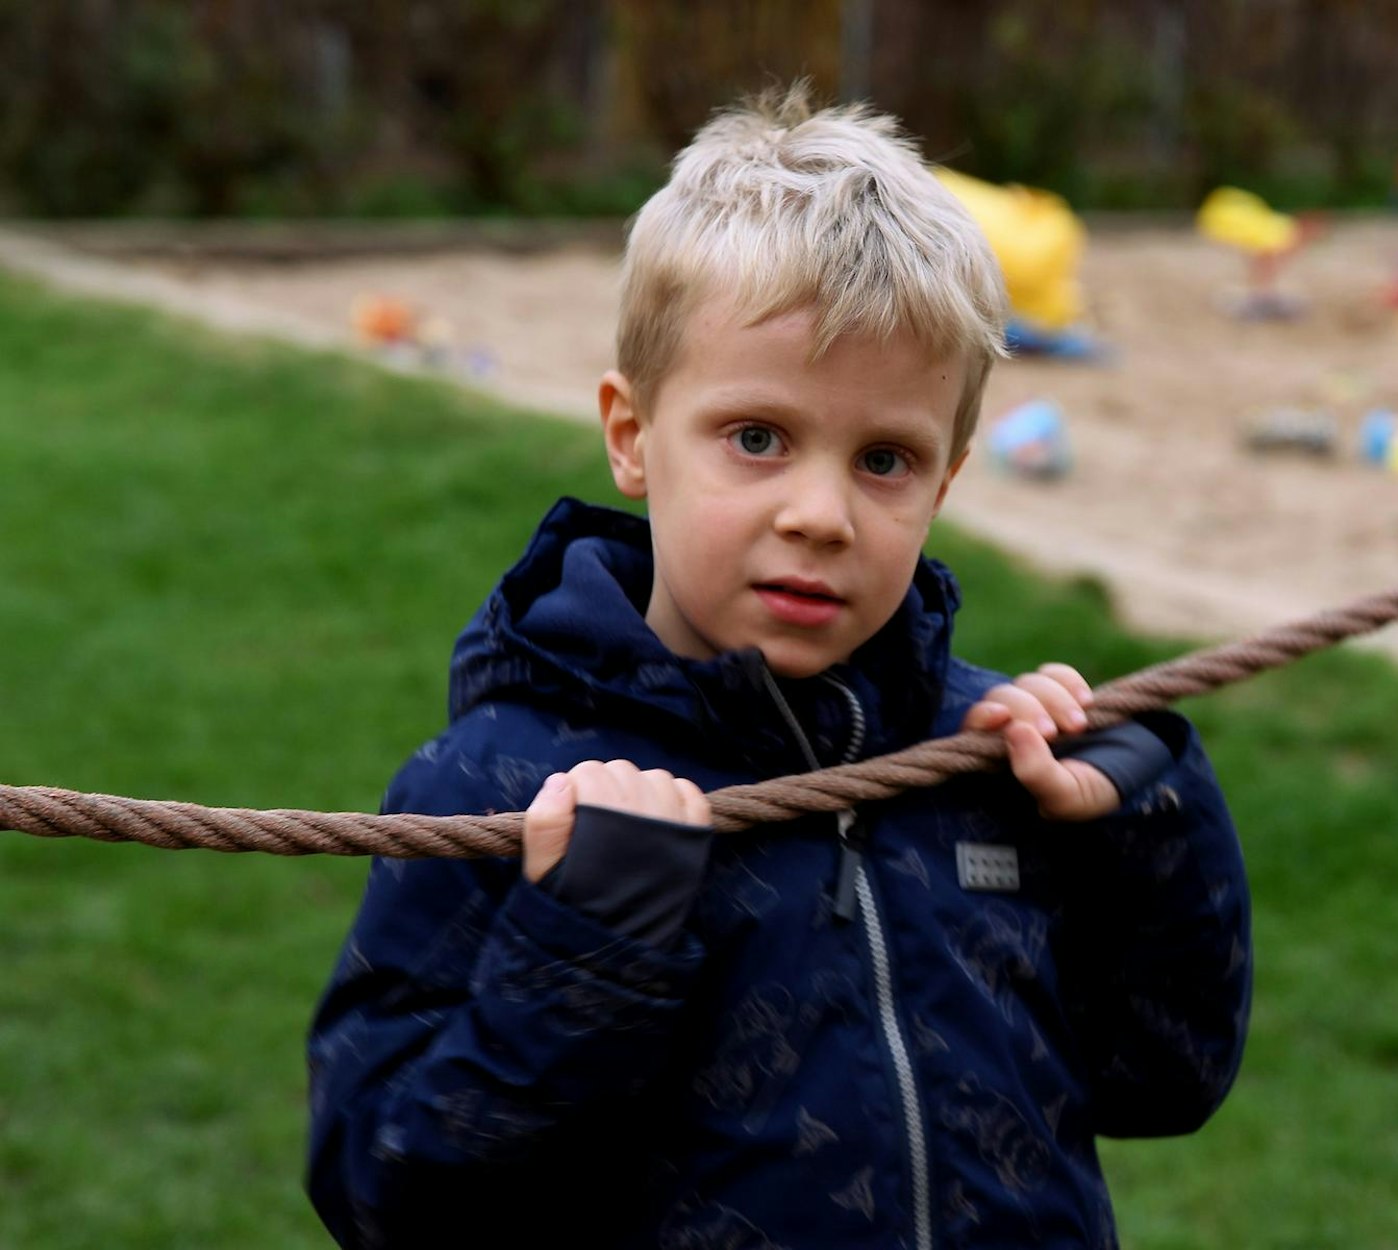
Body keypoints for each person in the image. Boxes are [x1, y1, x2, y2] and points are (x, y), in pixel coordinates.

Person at [306, 86, 1252, 1250]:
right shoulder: (497, 785)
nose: (820, 514)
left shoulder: (984, 761)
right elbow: (390, 1199)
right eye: (756, 437)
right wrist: (585, 945)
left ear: (946, 480)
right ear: (631, 435)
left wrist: (1140, 818)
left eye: (884, 459)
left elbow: (1163, 1073)